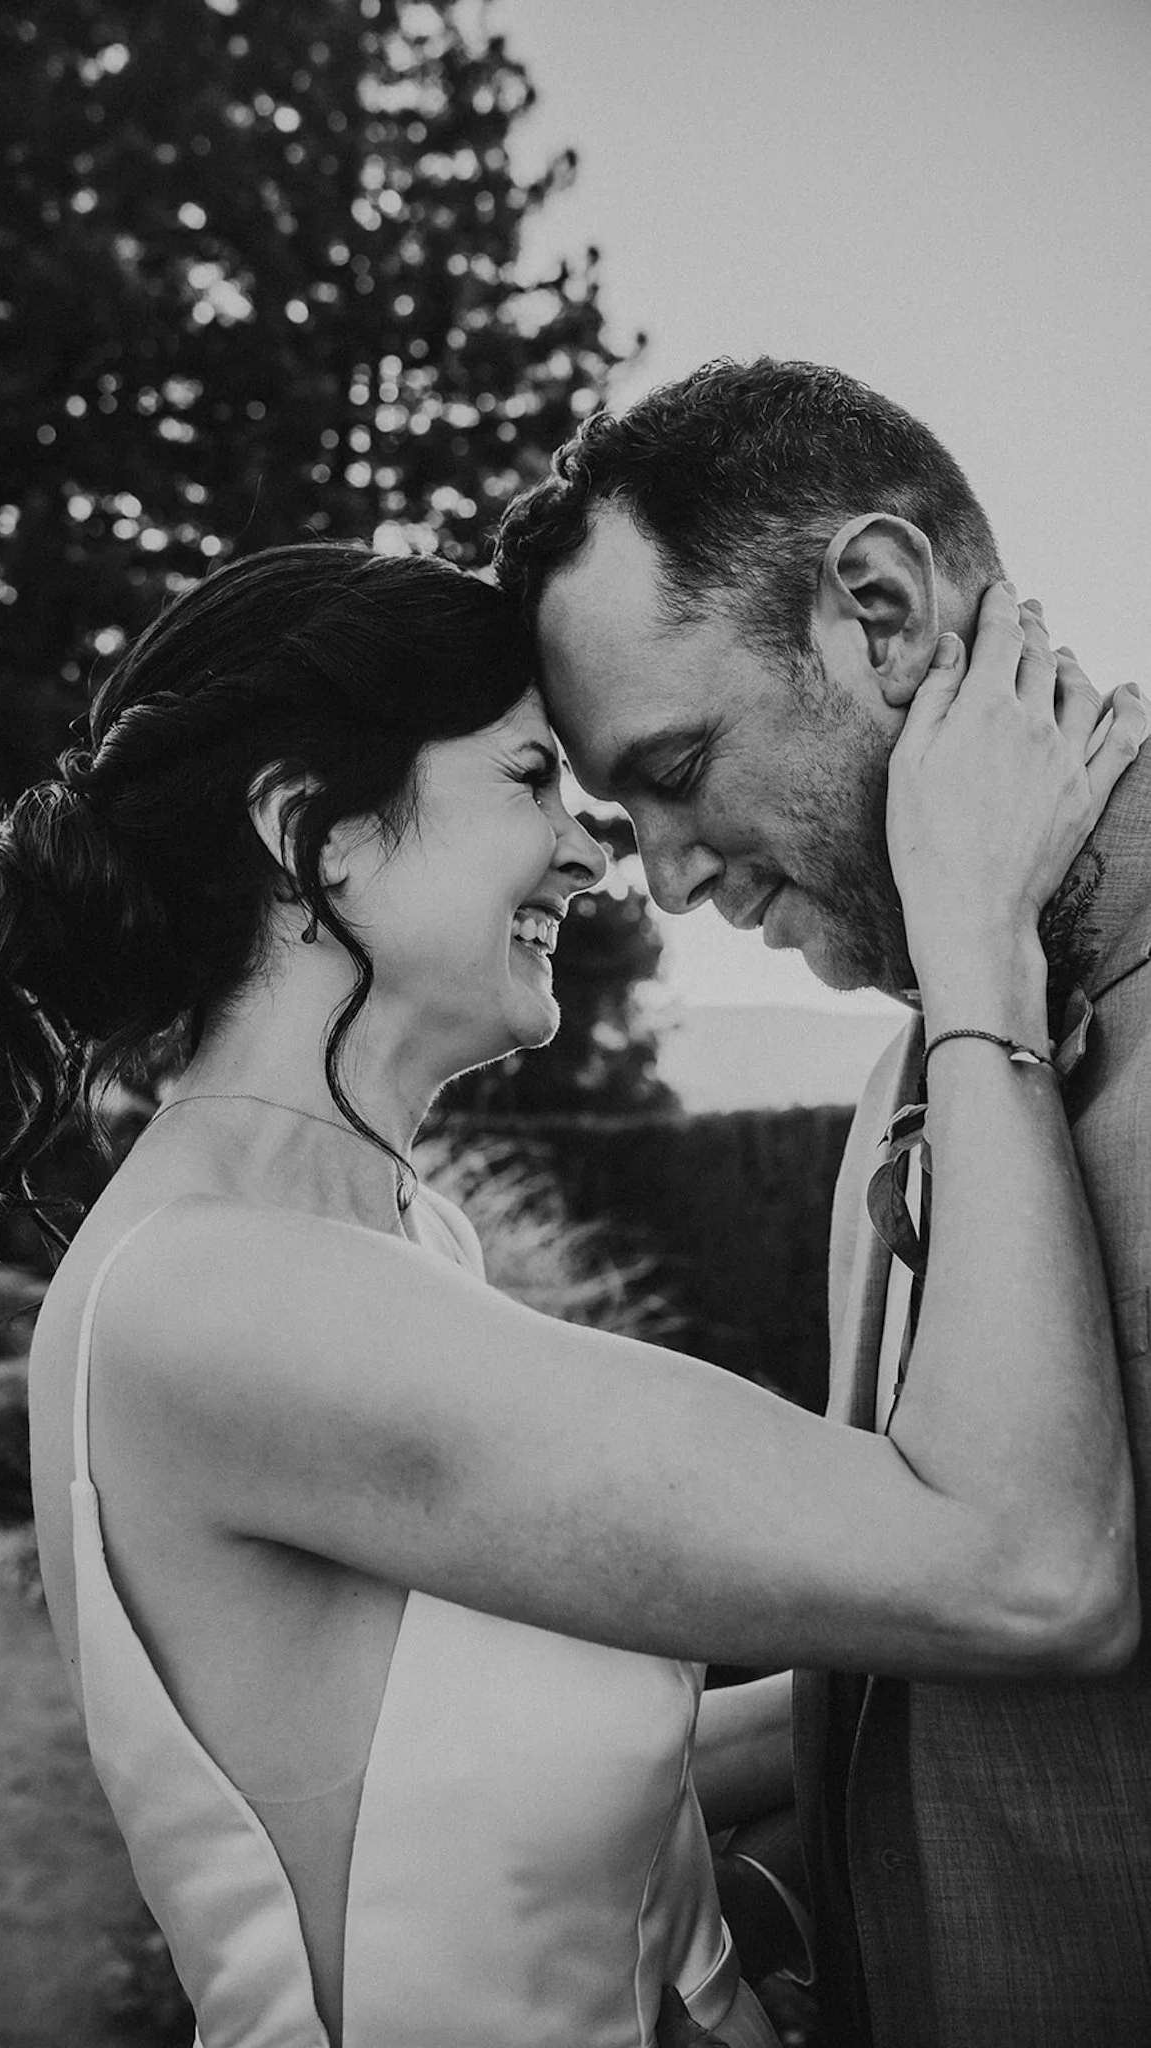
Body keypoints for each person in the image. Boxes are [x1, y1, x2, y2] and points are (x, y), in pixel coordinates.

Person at [0, 538, 1141, 2048]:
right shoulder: (224, 1303)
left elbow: (514, 1805)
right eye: (528, 783)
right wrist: (976, 952)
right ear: (308, 834)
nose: (596, 859)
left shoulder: (387, 1243)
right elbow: (1026, 1565)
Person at [494, 356, 1151, 2047]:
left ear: (877, 608)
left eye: (678, 763)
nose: (664, 877)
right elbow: (951, 1694)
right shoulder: (905, 1092)